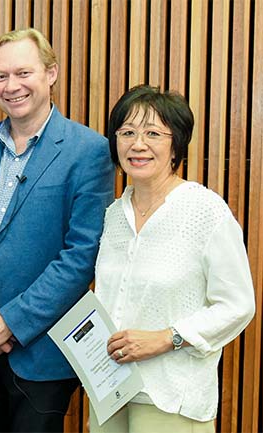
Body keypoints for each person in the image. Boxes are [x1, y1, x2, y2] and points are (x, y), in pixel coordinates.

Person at [0, 28, 115, 433]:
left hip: (43, 355)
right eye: (1, 76)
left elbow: (81, 255)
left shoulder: (88, 152)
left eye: (23, 73)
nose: (11, 86)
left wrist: (11, 323)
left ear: (50, 74)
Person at [89, 84, 255, 432]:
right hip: (111, 392)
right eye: (127, 132)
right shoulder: (114, 215)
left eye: (153, 133)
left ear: (176, 144)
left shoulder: (204, 211)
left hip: (172, 397)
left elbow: (238, 305)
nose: (138, 144)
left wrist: (167, 337)